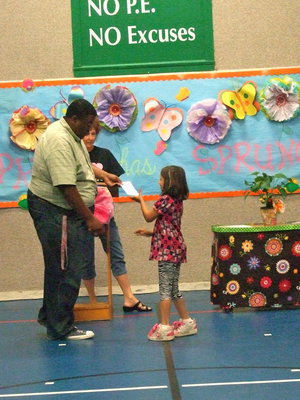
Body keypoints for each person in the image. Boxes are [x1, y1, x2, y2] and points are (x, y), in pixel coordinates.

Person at [27, 99, 121, 340]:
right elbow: (66, 187)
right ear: (75, 119)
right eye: (88, 124)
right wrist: (90, 218)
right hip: (56, 210)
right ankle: (61, 327)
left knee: (60, 266)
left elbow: (80, 166)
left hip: (64, 210)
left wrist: (102, 175)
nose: (90, 130)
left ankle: (50, 315)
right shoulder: (59, 140)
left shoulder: (71, 134)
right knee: (66, 268)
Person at [81, 119, 152, 312]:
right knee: (86, 257)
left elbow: (115, 184)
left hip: (105, 215)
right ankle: (93, 300)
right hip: (83, 214)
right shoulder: (75, 154)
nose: (89, 137)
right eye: (86, 133)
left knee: (116, 254)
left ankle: (129, 297)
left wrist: (117, 187)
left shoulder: (104, 154)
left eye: (93, 133)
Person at [132, 166, 197, 341]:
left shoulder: (165, 200)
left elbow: (148, 216)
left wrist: (141, 200)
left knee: (165, 290)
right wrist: (150, 233)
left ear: (168, 181)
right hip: (176, 247)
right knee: (174, 288)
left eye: (161, 179)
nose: (159, 182)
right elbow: (169, 227)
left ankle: (164, 327)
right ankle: (187, 321)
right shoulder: (177, 200)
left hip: (167, 252)